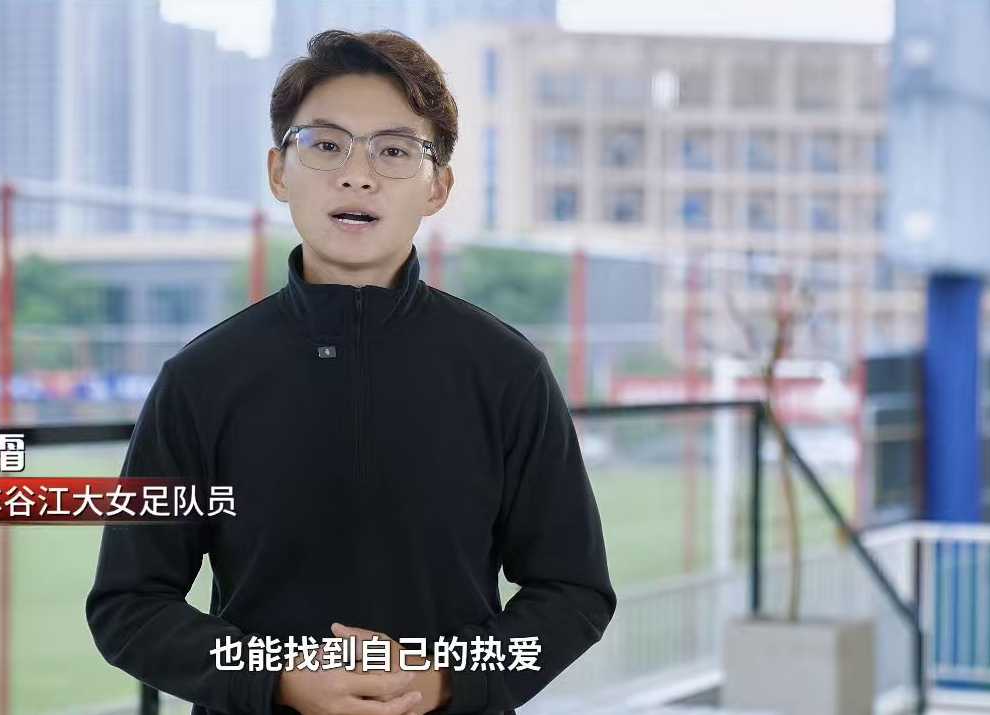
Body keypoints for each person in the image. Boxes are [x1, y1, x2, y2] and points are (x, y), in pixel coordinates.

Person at [85, 28, 616, 715]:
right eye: (326, 144)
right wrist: (275, 677)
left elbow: (573, 590)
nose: (357, 174)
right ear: (279, 171)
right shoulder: (201, 378)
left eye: (394, 150)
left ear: (438, 185)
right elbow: (129, 604)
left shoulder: (507, 371)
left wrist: (442, 678)